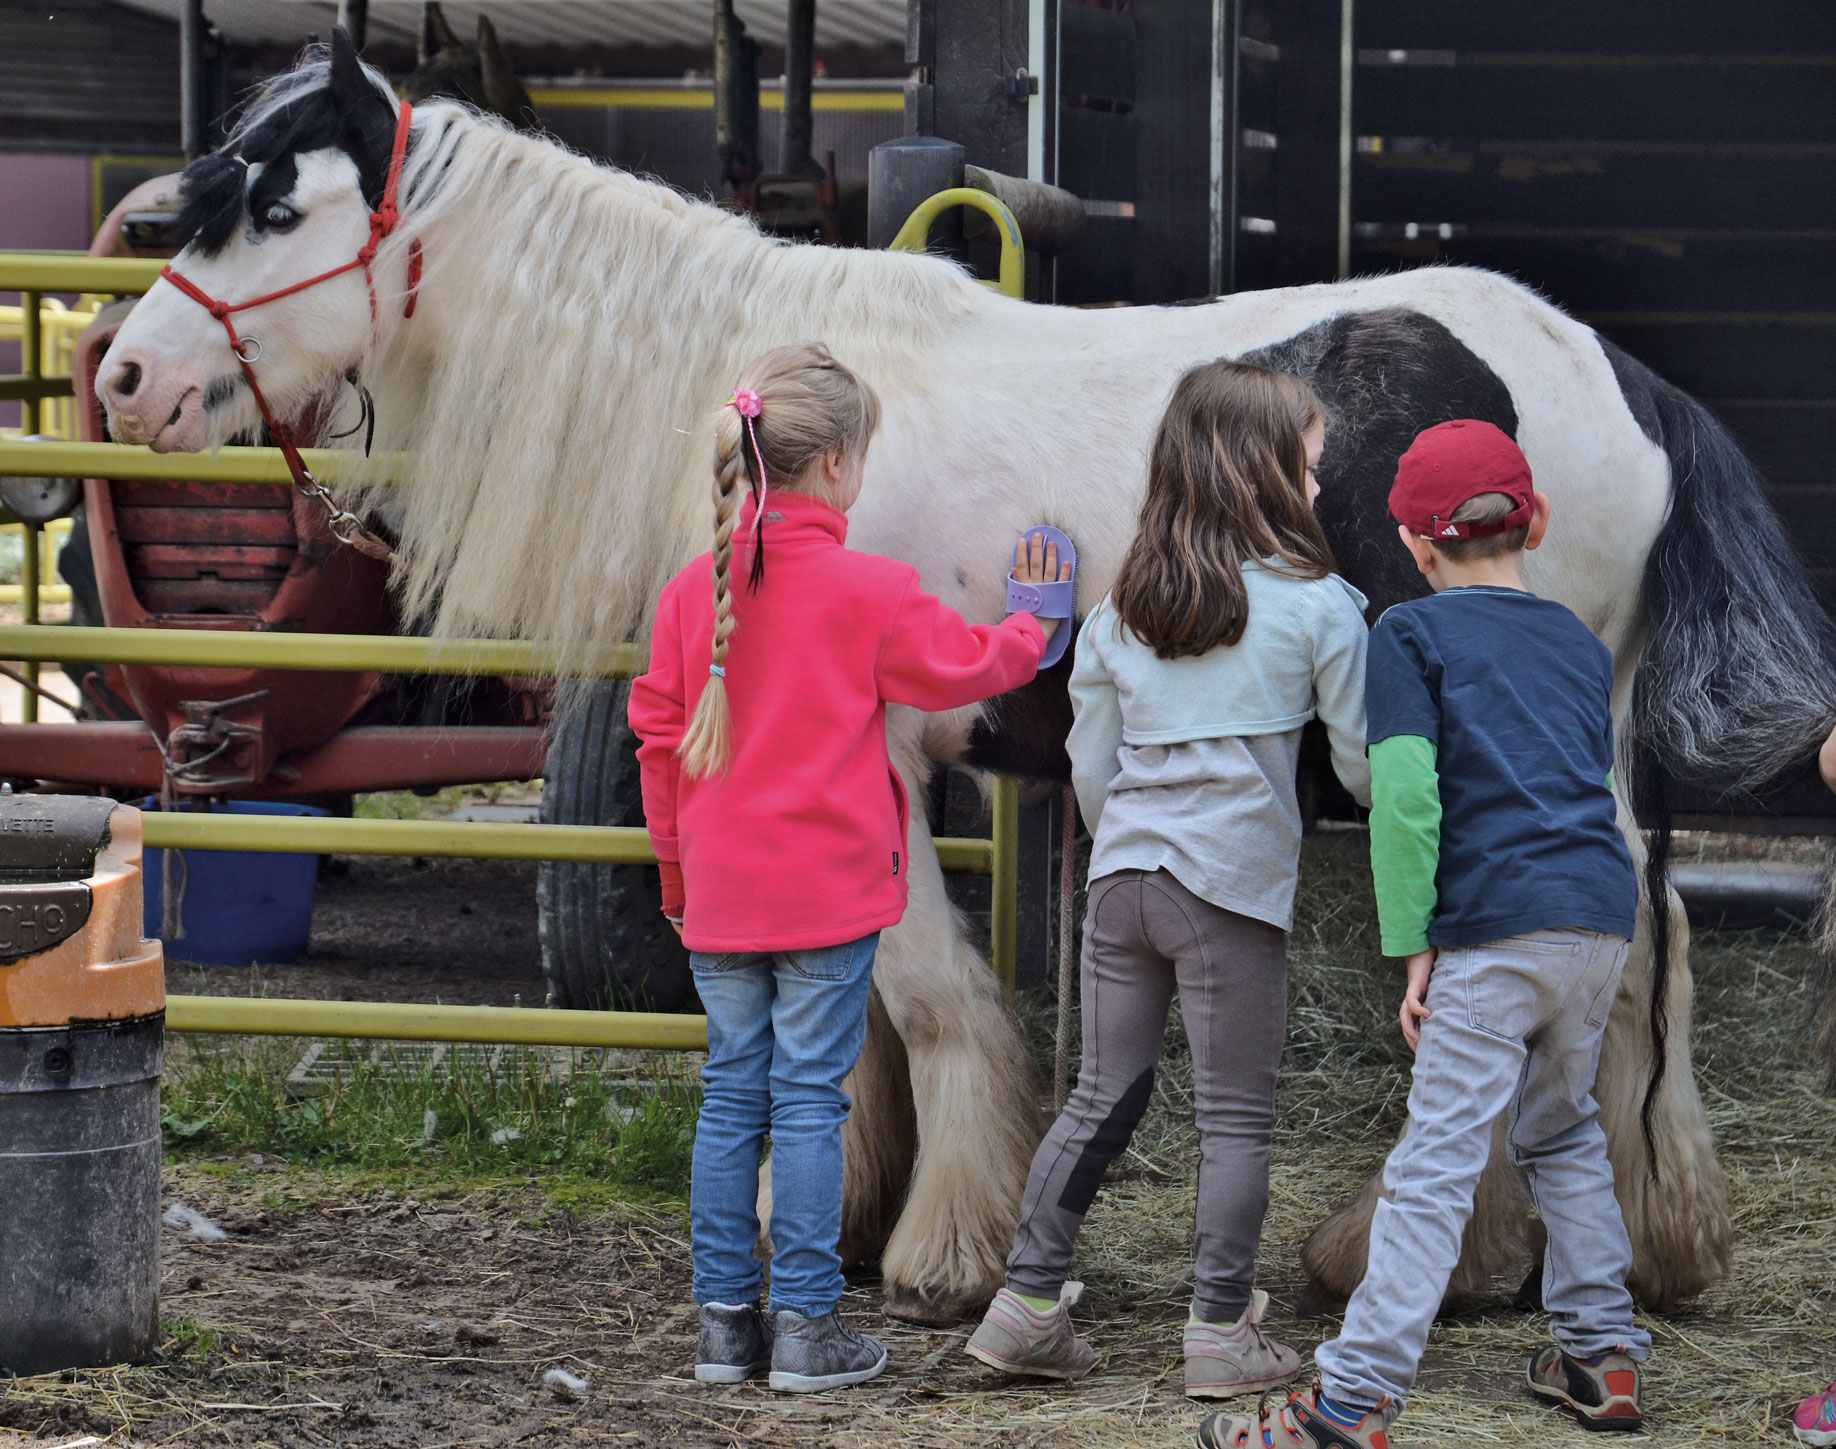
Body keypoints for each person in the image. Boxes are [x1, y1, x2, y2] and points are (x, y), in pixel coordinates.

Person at [627, 343, 1071, 1395]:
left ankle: (724, 1327)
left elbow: (656, 744)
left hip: (720, 903)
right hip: (829, 904)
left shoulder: (691, 595)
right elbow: (969, 664)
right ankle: (809, 1327)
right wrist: (1035, 619)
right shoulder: (870, 589)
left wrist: (677, 882)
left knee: (732, 1101)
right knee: (810, 1103)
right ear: (836, 464)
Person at [1200, 419, 1649, 1448]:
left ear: (1412, 543)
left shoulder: (1409, 635)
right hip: (1596, 918)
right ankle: (1603, 1353)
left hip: (1495, 929)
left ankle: (1350, 1400)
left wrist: (1415, 945)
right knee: (1563, 1128)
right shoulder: (1580, 645)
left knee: (1436, 1163)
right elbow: (1587, 783)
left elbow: (1404, 798)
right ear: (1536, 519)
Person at [964, 360, 1371, 1398]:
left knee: (1101, 1092)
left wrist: (1132, 842)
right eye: (1308, 467)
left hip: (1123, 881)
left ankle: (1025, 1306)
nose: (1319, 486)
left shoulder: (1121, 613)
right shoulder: (1320, 608)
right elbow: (1365, 765)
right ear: (1260, 475)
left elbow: (1091, 767)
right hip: (1227, 889)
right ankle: (1221, 1330)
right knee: (1234, 1118)